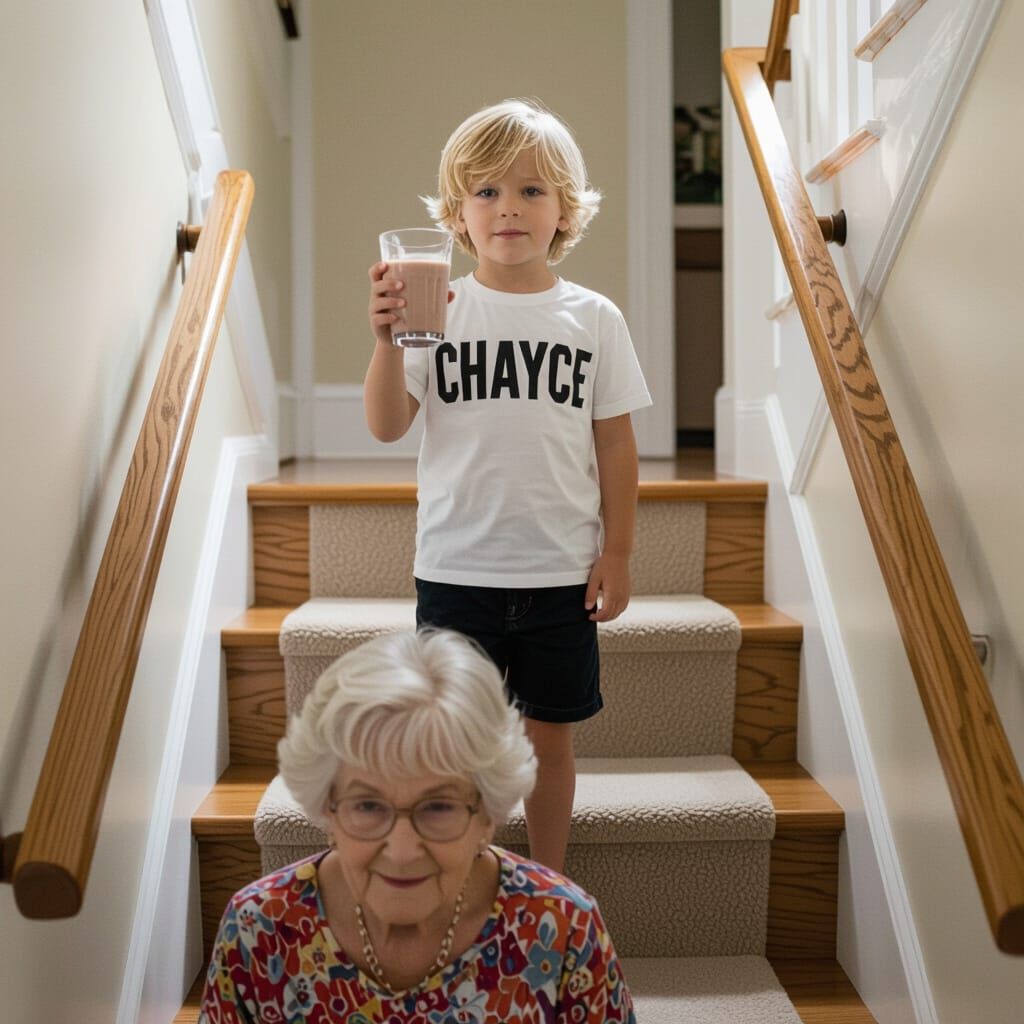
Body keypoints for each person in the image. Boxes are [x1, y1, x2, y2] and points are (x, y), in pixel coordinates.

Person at [364, 98, 652, 873]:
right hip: (458, 570)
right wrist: (388, 343)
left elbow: (616, 442)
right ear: (457, 214)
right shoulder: (439, 307)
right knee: (460, 745)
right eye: (486, 192)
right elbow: (388, 425)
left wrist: (617, 552)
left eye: (531, 190)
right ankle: (469, 880)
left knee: (548, 740)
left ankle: (548, 884)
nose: (509, 208)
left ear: (566, 209)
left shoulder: (593, 319)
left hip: (560, 573)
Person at [197, 629, 635, 1023]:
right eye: (368, 806)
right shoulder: (260, 929)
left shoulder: (561, 927)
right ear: (327, 810)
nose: (402, 851)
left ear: (487, 816)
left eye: (438, 807)